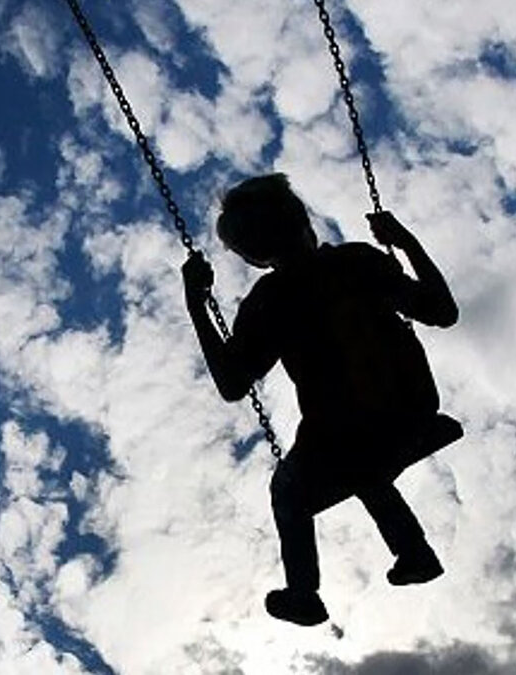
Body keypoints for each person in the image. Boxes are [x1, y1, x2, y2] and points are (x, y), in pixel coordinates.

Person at [181, 174, 459, 626]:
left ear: (253, 256)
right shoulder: (359, 260)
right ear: (302, 218)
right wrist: (405, 242)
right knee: (360, 460)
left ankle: (303, 592)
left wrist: (196, 305)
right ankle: (413, 551)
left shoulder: (270, 301)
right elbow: (442, 311)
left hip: (345, 430)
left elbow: (233, 384)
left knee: (290, 486)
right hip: (410, 406)